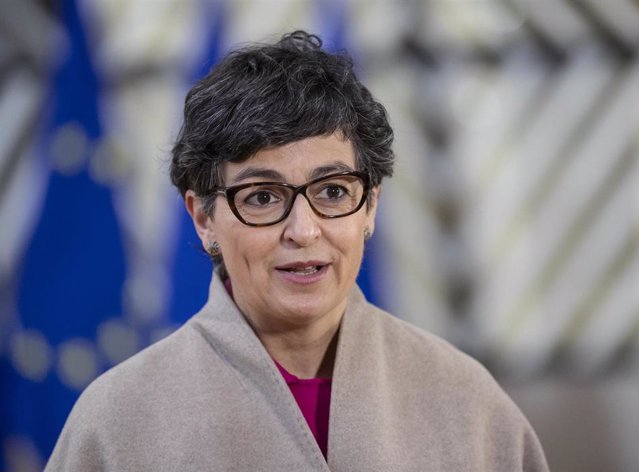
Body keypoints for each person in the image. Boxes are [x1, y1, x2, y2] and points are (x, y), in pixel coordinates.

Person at [45, 31, 549, 471]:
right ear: (202, 218)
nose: (304, 231)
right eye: (263, 198)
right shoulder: (118, 421)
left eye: (333, 191)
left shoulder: (465, 401)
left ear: (370, 205)